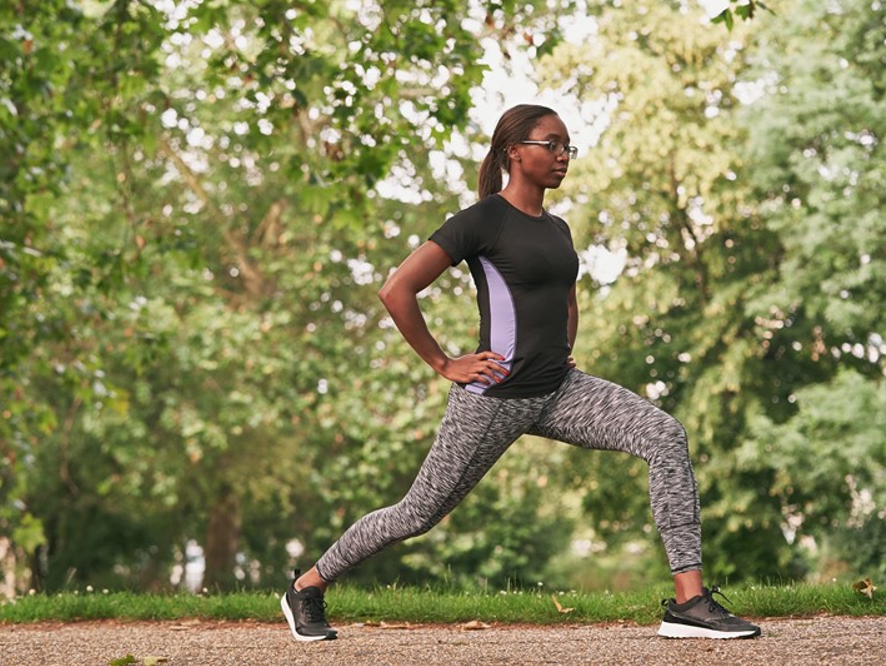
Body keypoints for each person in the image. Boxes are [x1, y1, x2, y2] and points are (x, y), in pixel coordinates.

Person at [281, 104, 761, 642]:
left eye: (567, 148)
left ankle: (688, 602)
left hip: (559, 390)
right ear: (515, 152)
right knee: (417, 514)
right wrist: (445, 363)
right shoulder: (484, 219)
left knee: (665, 435)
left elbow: (566, 299)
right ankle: (307, 587)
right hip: (494, 398)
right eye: (551, 145)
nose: (562, 157)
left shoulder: (557, 228)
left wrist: (562, 350)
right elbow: (396, 290)